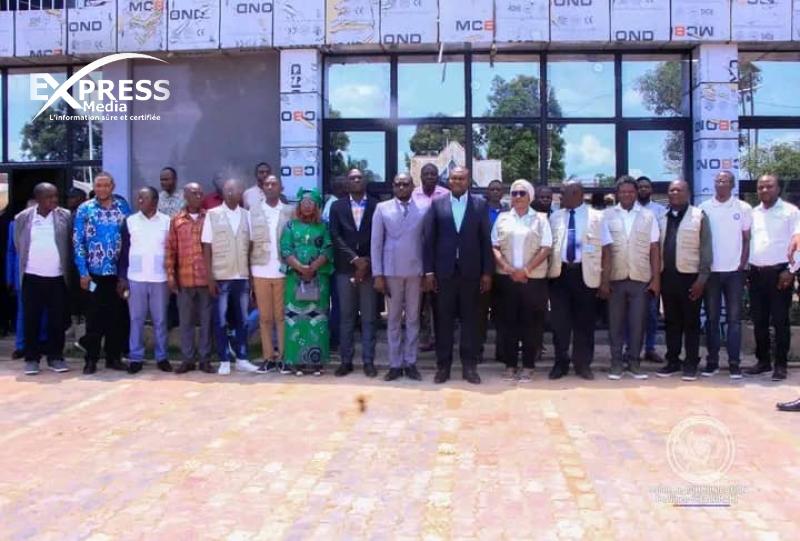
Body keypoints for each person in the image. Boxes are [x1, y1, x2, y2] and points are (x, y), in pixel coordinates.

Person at [423, 166, 493, 385]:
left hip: (471, 274)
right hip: (444, 274)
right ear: (449, 181)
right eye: (454, 178)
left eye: (461, 178)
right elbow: (429, 240)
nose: (457, 181)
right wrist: (429, 272)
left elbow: (485, 241)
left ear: (468, 181)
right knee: (443, 321)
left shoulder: (479, 205)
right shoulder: (437, 204)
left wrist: (487, 272)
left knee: (470, 322)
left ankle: (469, 366)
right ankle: (443, 367)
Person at [598, 177, 661, 381]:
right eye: (623, 192)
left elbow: (654, 249)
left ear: (636, 193)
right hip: (615, 278)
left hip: (640, 278)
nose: (627, 195)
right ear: (617, 194)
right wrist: (603, 280)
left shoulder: (648, 216)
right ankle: (616, 363)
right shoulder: (606, 215)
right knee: (615, 324)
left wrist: (656, 279)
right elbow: (602, 250)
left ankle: (634, 363)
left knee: (637, 323)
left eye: (631, 192)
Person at [491, 179, 551, 382]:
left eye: (522, 193)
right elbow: (494, 246)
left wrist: (526, 270)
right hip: (506, 279)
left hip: (532, 280)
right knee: (507, 323)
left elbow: (546, 247)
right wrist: (508, 269)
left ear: (530, 197)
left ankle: (528, 365)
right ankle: (510, 365)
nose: (517, 197)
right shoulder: (502, 218)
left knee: (530, 324)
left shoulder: (540, 219)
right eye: (514, 193)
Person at [73, 172, 132, 374]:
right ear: (94, 187)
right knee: (94, 316)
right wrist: (83, 273)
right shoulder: (85, 209)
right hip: (93, 275)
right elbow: (78, 242)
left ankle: (113, 357)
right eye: (98, 185)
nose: (102, 189)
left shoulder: (123, 207)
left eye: (106, 185)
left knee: (116, 317)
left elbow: (129, 240)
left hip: (117, 275)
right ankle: (91, 359)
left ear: (112, 186)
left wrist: (125, 274)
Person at [655, 180, 712, 381]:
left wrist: (702, 279)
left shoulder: (699, 216)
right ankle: (672, 361)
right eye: (671, 190)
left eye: (679, 190)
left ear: (688, 193)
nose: (675, 193)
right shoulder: (662, 217)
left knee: (691, 322)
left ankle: (691, 362)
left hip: (691, 278)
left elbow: (706, 249)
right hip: (667, 277)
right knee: (671, 322)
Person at [371, 173, 426, 382]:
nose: (401, 187)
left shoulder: (424, 207)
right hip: (391, 271)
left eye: (405, 184)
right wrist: (378, 273)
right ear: (393, 187)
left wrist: (427, 272)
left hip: (415, 271)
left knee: (413, 318)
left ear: (413, 186)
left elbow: (426, 241)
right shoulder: (382, 208)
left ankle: (410, 362)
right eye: (398, 184)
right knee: (393, 319)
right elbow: (376, 243)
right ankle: (395, 364)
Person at [202, 178, 260, 375]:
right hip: (221, 275)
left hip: (241, 276)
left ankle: (242, 358)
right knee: (221, 320)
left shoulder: (247, 215)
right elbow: (207, 247)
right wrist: (210, 277)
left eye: (235, 190)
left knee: (242, 320)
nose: (230, 193)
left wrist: (250, 275)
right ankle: (224, 360)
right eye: (227, 190)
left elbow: (250, 245)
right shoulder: (212, 215)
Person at [13, 183, 71, 375]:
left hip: (57, 278)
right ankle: (32, 358)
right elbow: (18, 244)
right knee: (32, 320)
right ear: (38, 199)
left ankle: (55, 357)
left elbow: (69, 244)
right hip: (32, 277)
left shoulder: (65, 216)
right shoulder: (23, 218)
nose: (54, 200)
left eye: (55, 196)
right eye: (49, 197)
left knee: (57, 320)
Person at [547, 181, 603, 380]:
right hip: (560, 275)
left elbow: (607, 249)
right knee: (559, 323)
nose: (560, 196)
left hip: (584, 275)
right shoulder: (555, 217)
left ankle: (583, 364)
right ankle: (560, 363)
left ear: (577, 193)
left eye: (564, 193)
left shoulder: (597, 217)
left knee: (584, 323)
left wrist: (605, 281)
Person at [746, 174, 800, 381]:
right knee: (759, 320)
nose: (764, 190)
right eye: (761, 187)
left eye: (769, 186)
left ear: (778, 189)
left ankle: (780, 365)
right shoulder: (753, 213)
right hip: (756, 273)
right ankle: (763, 361)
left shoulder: (790, 212)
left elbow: (798, 242)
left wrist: (791, 270)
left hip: (780, 274)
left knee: (780, 321)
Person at [698, 171, 751, 379]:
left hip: (734, 273)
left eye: (725, 181)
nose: (720, 184)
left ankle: (734, 364)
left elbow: (746, 238)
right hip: (711, 272)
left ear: (732, 185)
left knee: (734, 320)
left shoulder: (743, 208)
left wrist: (742, 264)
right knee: (711, 319)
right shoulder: (704, 207)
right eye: (718, 181)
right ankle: (712, 362)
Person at [329, 168, 380, 378]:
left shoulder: (377, 205)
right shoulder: (337, 206)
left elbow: (379, 235)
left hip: (369, 269)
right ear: (347, 183)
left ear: (365, 181)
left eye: (359, 177)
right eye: (352, 178)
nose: (356, 180)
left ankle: (368, 361)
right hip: (345, 269)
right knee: (346, 317)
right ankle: (346, 361)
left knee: (369, 318)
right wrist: (355, 259)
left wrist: (365, 262)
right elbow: (335, 235)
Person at [118, 187, 172, 374]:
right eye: (138, 197)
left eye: (144, 198)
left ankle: (162, 357)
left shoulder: (167, 221)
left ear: (155, 201)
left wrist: (171, 276)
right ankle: (136, 357)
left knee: (160, 320)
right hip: (136, 278)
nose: (139, 201)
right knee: (136, 319)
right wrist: (122, 278)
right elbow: (123, 252)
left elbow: (172, 251)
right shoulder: (130, 221)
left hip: (160, 278)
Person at [280, 189, 333, 375]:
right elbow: (285, 249)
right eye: (304, 202)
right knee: (295, 320)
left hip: (318, 279)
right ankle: (296, 362)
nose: (307, 206)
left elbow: (328, 249)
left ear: (317, 206)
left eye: (311, 203)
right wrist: (301, 268)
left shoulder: (324, 227)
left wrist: (312, 268)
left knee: (317, 320)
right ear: (299, 206)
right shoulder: (290, 226)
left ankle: (317, 362)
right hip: (295, 279)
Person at [166, 183, 214, 374]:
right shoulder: (177, 220)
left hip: (205, 280)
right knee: (186, 322)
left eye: (201, 193)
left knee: (206, 321)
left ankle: (205, 360)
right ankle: (188, 360)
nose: (198, 196)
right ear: (185, 196)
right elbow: (170, 249)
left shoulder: (209, 218)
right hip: (184, 280)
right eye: (194, 193)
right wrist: (170, 275)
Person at [249, 174, 294, 372]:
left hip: (283, 271)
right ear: (262, 189)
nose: (270, 187)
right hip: (260, 269)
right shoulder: (253, 211)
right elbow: (249, 243)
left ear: (280, 188)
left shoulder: (289, 211)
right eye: (266, 184)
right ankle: (268, 358)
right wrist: (249, 273)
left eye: (274, 184)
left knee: (281, 317)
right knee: (265, 318)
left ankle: (283, 357)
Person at [413, 163, 450, 352]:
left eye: (433, 174)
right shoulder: (413, 195)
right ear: (420, 176)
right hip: (417, 252)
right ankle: (423, 336)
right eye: (426, 174)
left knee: (439, 298)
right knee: (420, 301)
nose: (429, 177)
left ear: (438, 177)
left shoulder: (446, 195)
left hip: (440, 254)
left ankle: (439, 337)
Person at [636, 175, 666, 363]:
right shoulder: (629, 209)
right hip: (633, 266)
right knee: (630, 313)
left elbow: (661, 239)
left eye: (646, 187)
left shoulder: (660, 211)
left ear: (651, 190)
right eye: (640, 187)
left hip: (653, 267)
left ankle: (650, 348)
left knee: (652, 312)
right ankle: (630, 349)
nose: (643, 190)